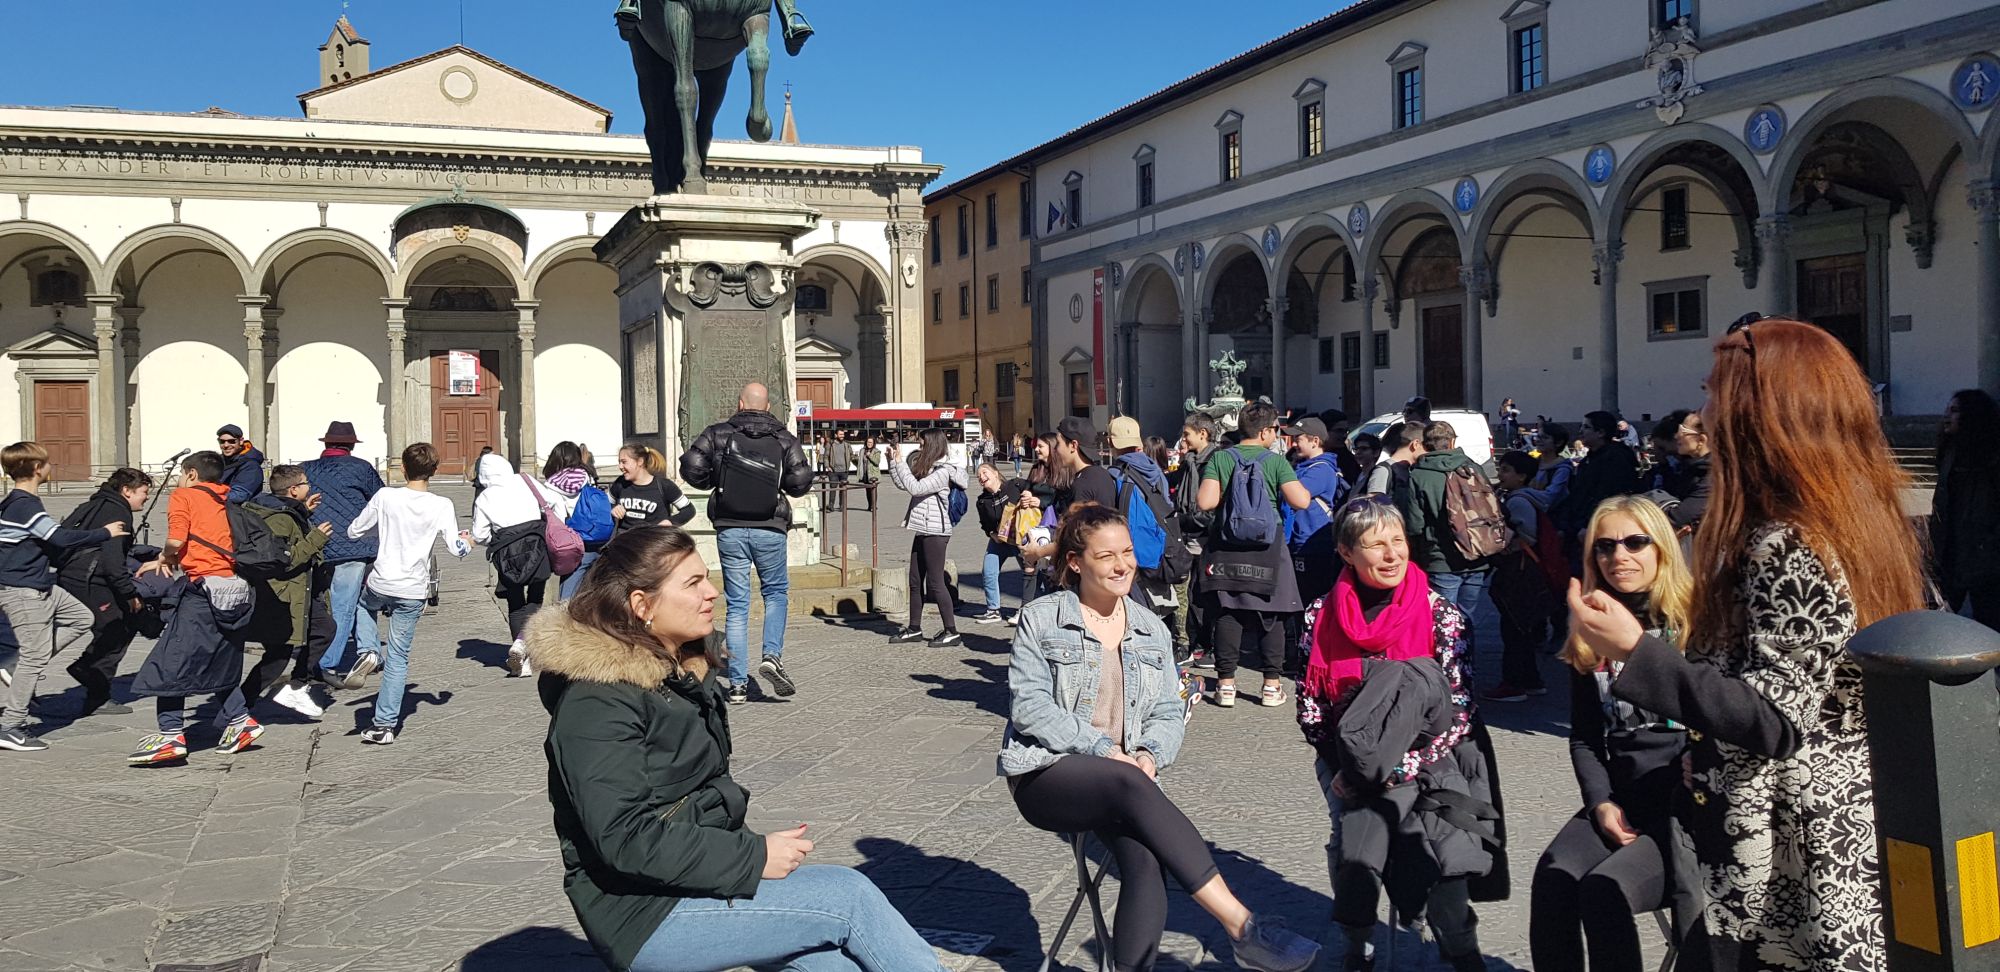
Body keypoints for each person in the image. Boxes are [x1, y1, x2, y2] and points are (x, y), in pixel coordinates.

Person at [1567, 318, 1926, 971]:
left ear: (1760, 412)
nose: (1702, 413)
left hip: (1793, 860)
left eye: (1713, 392)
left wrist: (1633, 651)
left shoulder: (1786, 542)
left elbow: (1776, 717)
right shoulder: (1848, 517)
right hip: (1820, 838)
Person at [528, 525, 941, 972]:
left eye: (707, 577)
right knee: (849, 897)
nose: (712, 593)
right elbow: (626, 839)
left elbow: (697, 798)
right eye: (692, 584)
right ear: (641, 605)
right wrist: (755, 856)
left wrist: (744, 853)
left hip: (693, 880)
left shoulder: (680, 672)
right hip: (642, 913)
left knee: (828, 964)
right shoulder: (597, 702)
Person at [1003, 505, 1322, 972]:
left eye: (1127, 552)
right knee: (1126, 781)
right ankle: (1242, 927)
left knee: (1146, 861)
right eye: (1106, 555)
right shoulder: (1042, 618)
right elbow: (1030, 709)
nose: (1122, 565)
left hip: (1128, 782)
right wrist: (1107, 751)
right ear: (1075, 562)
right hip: (1047, 773)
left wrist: (1150, 755)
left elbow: (1171, 709)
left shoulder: (1150, 628)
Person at [1295, 497, 1496, 972]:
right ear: (1346, 552)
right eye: (1375, 544)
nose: (1391, 555)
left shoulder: (1441, 614)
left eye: (1398, 541)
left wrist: (1397, 766)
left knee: (1444, 845)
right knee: (1354, 840)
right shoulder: (1320, 615)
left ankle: (1460, 947)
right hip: (1348, 759)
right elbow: (1310, 703)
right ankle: (1357, 942)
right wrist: (1350, 767)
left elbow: (1461, 708)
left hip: (1430, 757)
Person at [1531, 495, 1699, 972]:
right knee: (1553, 878)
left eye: (1635, 542)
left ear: (1662, 549)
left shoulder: (1697, 623)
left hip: (1681, 812)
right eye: (1605, 547)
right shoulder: (1592, 627)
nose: (1618, 556)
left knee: (1605, 891)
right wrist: (1601, 802)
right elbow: (1585, 736)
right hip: (1620, 798)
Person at [679, 382, 815, 705]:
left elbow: (691, 466)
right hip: (769, 526)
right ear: (767, 407)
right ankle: (771, 656)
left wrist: (718, 478)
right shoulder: (783, 437)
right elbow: (800, 481)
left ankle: (737, 684)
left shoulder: (718, 433)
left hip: (730, 526)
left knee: (737, 604)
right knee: (775, 593)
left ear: (740, 403)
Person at [129, 452, 263, 764]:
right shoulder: (226, 498)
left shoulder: (184, 495)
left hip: (202, 591)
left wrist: (166, 555)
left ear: (191, 474)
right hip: (233, 588)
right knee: (219, 660)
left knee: (171, 660)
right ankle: (240, 721)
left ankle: (170, 734)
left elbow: (176, 540)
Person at [0, 443, 127, 751]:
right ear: (35, 469)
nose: (49, 467)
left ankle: (17, 667)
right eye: (45, 463)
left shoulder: (18, 502)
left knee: (81, 617)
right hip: (25, 590)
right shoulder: (23, 504)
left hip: (39, 584)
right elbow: (59, 538)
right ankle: (11, 726)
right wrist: (104, 533)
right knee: (35, 655)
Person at [346, 443, 472, 744]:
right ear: (435, 470)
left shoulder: (386, 496)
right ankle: (384, 725)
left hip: (381, 581)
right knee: (399, 658)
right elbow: (457, 550)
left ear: (402, 468)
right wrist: (468, 541)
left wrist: (382, 531)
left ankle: (369, 651)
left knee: (363, 606)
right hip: (413, 590)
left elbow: (354, 531)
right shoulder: (441, 505)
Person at [1196, 401, 1312, 708]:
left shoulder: (1221, 458)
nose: (1276, 435)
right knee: (1269, 616)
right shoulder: (1275, 462)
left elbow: (1205, 502)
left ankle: (1225, 686)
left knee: (1228, 612)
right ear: (1264, 432)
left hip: (1227, 545)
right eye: (1275, 429)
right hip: (1267, 546)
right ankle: (1271, 687)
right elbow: (1301, 501)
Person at [55, 467, 151, 717]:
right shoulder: (118, 512)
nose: (146, 498)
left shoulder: (94, 503)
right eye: (143, 492)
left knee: (116, 626)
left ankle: (90, 677)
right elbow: (112, 562)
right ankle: (92, 683)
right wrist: (130, 594)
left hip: (73, 575)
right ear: (126, 490)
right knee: (116, 627)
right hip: (89, 579)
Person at [239, 465, 333, 716]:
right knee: (279, 655)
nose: (308, 487)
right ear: (293, 490)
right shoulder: (279, 518)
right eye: (305, 484)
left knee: (317, 632)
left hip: (294, 591)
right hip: (284, 593)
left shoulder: (277, 509)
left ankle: (290, 686)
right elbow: (284, 559)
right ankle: (239, 706)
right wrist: (316, 539)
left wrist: (304, 511)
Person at [1401, 422, 1498, 650]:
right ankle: (1467, 670)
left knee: (1444, 619)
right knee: (1467, 617)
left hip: (1441, 559)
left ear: (1425, 445)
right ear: (1453, 442)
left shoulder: (1419, 475)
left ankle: (1448, 672)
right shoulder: (1473, 468)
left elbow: (1414, 525)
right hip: (1477, 555)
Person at [302, 421, 384, 685]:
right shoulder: (361, 468)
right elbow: (380, 500)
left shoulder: (306, 469)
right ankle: (327, 663)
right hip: (353, 545)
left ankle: (370, 651)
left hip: (316, 543)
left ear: (326, 444)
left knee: (346, 601)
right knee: (344, 605)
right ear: (350, 445)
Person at [473, 451, 568, 678]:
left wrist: (496, 537)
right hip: (536, 543)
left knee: (515, 602)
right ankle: (522, 645)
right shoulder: (525, 480)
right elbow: (554, 501)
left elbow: (479, 534)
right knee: (536, 597)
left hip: (507, 552)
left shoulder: (485, 497)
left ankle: (522, 659)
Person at [1487, 451, 1555, 702]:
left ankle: (1514, 684)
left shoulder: (1518, 501)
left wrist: (1504, 546)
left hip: (1520, 571)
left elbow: (1528, 536)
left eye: (1506, 470)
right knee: (1521, 629)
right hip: (1528, 573)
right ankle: (1531, 680)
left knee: (1514, 629)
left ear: (1522, 476)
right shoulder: (1528, 497)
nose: (1500, 475)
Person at [889, 428, 967, 647]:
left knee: (935, 582)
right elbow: (903, 484)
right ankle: (914, 628)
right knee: (915, 580)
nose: (920, 448)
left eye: (923, 444)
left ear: (932, 445)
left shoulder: (942, 472)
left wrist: (902, 464)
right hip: (922, 529)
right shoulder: (930, 468)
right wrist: (895, 463)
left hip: (936, 532)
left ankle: (951, 631)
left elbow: (916, 488)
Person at [1931, 388, 2000, 629]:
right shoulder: (1949, 456)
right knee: (1939, 624)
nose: (1947, 416)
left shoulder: (1992, 460)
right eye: (1947, 410)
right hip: (1951, 556)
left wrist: (1988, 545)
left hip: (1987, 561)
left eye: (1955, 410)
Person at [1557, 411, 1643, 553]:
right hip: (1578, 527)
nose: (1580, 431)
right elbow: (1577, 494)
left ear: (1600, 432)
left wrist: (1589, 524)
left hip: (1603, 527)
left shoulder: (1616, 458)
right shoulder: (1588, 460)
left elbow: (1608, 495)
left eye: (1586, 427)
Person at [1285, 417, 1346, 609]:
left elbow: (1293, 492)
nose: (1294, 444)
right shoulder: (1302, 467)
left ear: (1315, 441)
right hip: (1300, 542)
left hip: (1313, 543)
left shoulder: (1321, 470)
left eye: (1298, 439)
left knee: (1311, 597)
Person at [545, 441, 605, 600]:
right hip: (595, 536)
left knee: (568, 593)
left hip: (571, 542)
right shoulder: (589, 476)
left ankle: (566, 621)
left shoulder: (551, 485)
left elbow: (557, 517)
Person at [974, 462, 1026, 625]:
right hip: (999, 541)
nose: (982, 477)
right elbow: (984, 524)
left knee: (1030, 573)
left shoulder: (1014, 486)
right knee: (989, 571)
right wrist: (991, 533)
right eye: (978, 476)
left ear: (996, 473)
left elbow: (1034, 491)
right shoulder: (982, 501)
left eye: (985, 472)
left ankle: (1026, 609)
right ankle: (993, 610)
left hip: (1019, 539)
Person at [609, 443, 697, 537]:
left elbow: (689, 510)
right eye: (619, 462)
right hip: (625, 542)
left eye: (624, 462)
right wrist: (613, 508)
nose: (620, 466)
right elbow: (604, 505)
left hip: (653, 542)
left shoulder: (664, 486)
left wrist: (669, 522)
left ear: (640, 461)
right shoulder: (620, 483)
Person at [1666, 410, 1711, 538]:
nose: (1676, 436)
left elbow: (1680, 517)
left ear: (1701, 440)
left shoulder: (1712, 475)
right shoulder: (1692, 468)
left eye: (1682, 431)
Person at [1363, 421, 1424, 497]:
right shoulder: (1383, 471)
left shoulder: (1411, 469)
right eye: (1425, 446)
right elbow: (1374, 504)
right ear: (1416, 444)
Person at [215, 423, 266, 503]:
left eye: (231, 441)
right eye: (222, 441)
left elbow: (239, 496)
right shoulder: (218, 461)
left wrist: (209, 495)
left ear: (241, 441)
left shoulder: (251, 466)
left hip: (239, 512)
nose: (226, 445)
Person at [825, 428, 854, 511]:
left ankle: (842, 506)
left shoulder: (847, 445)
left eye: (843, 434)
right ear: (836, 435)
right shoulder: (830, 444)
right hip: (833, 471)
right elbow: (826, 457)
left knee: (843, 489)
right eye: (840, 434)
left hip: (844, 471)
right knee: (833, 488)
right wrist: (828, 466)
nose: (842, 436)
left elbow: (852, 456)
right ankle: (831, 506)